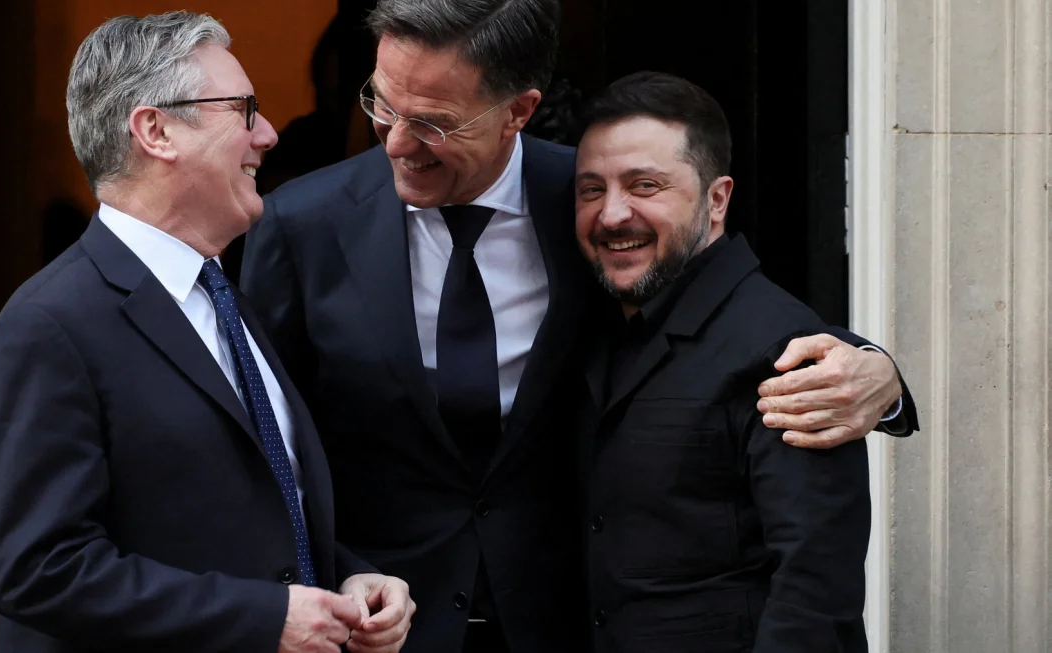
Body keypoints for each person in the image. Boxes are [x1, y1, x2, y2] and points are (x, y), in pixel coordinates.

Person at [240, 1, 916, 651]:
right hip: (378, 624)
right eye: (383, 104)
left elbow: (720, 307)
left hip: (567, 623)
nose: (396, 141)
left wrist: (874, 372)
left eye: (434, 123)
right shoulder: (300, 225)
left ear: (518, 111)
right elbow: (263, 436)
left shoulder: (593, 201)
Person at [0, 12, 414, 653]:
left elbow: (238, 517)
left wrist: (346, 579)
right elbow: (37, 570)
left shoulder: (224, 298)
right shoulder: (48, 325)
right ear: (156, 130)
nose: (269, 133)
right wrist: (263, 618)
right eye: (244, 110)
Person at [575, 71, 872, 653]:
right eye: (591, 190)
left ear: (717, 200)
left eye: (644, 185)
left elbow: (814, 590)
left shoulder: (786, 350)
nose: (611, 215)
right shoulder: (597, 324)